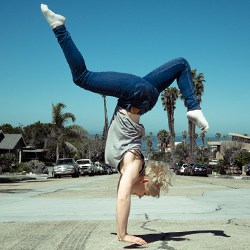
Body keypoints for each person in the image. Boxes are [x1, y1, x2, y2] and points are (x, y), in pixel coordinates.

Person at [41, 4, 209, 246]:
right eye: (146, 194)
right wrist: (123, 234)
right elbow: (122, 199)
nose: (140, 197)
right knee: (82, 77)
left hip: (140, 98)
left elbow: (122, 192)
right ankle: (58, 26)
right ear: (146, 181)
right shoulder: (135, 163)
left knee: (181, 63)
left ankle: (193, 107)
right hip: (136, 97)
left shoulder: (127, 168)